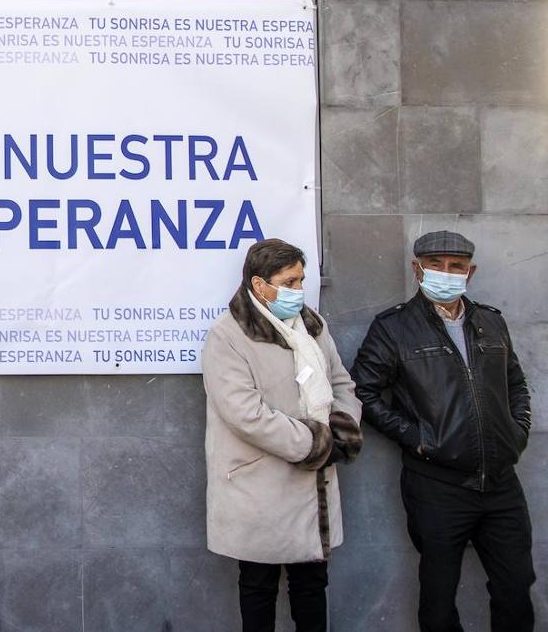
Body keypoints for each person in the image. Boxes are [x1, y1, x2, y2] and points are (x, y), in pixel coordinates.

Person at [351, 230, 533, 632]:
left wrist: (517, 430)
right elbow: (361, 391)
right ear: (417, 269)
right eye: (435, 265)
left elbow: (516, 384)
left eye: (456, 267)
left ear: (470, 271)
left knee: (516, 588)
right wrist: (418, 439)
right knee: (438, 596)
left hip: (501, 484)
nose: (446, 273)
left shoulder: (490, 322)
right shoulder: (394, 328)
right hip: (437, 486)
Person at [201, 238, 362, 632]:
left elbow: (341, 383)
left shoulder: (311, 325)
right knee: (258, 586)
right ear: (260, 285)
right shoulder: (228, 335)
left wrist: (342, 429)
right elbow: (246, 414)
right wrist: (316, 444)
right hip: (260, 487)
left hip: (313, 485)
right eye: (288, 282)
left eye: (300, 280)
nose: (297, 290)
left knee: (311, 585)